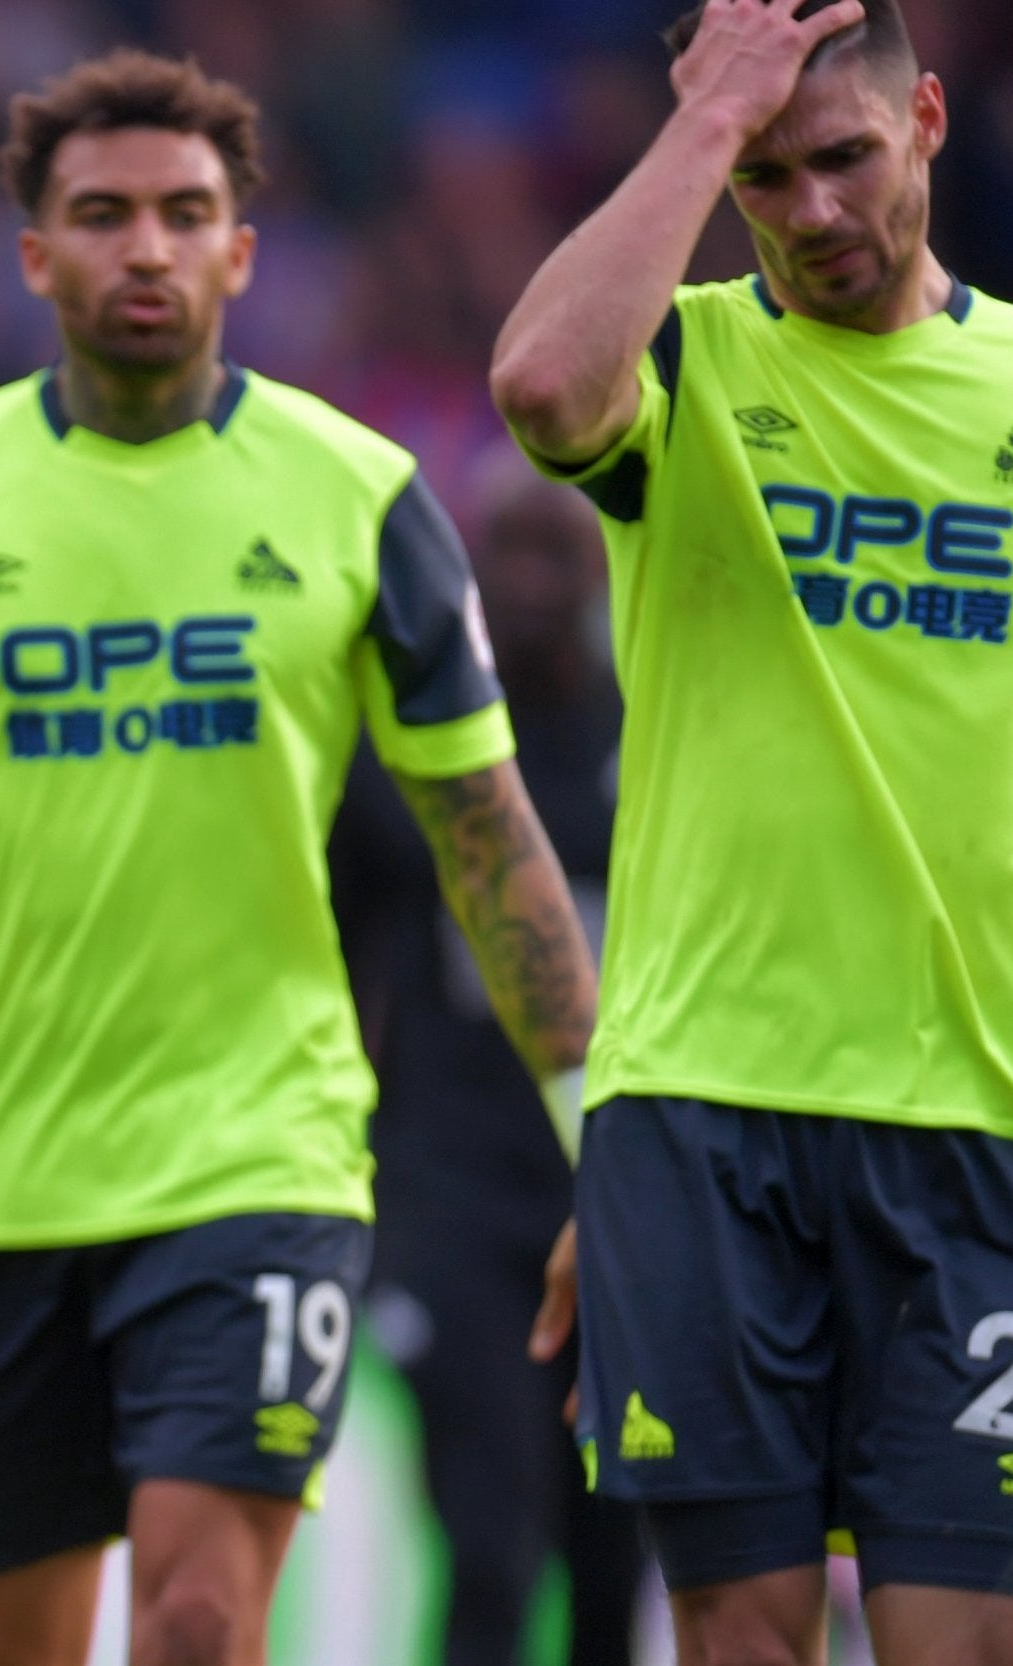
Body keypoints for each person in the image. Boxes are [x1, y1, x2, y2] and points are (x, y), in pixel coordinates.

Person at [0, 49, 597, 1666]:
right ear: (35, 256)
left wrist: (598, 1134)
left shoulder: (363, 499)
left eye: (184, 214)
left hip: (257, 1164)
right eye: (104, 214)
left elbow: (488, 837)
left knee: (200, 1616)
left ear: (241, 254)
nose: (146, 247)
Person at [489, 3, 1013, 1662]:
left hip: (981, 1111)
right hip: (702, 1118)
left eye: (844, 160)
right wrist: (699, 128)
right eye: (765, 178)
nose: (807, 213)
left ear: (928, 122)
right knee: (740, 1642)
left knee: (981, 1645)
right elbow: (537, 385)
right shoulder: (685, 356)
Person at [337, 447, 641, 1666]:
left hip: (617, 1194)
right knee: (490, 1544)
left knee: (616, 1554)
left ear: (598, 571)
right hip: (449, 1200)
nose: (521, 582)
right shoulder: (411, 756)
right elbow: (341, 951)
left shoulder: (658, 749)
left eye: (548, 553)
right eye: (499, 553)